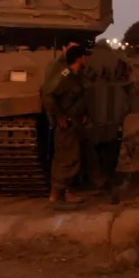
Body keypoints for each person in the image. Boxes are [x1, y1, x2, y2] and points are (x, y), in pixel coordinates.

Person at [46, 45, 90, 204]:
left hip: (75, 121)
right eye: (84, 55)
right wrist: (59, 117)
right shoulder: (65, 76)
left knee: (71, 157)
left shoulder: (76, 75)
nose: (86, 58)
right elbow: (49, 95)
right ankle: (57, 194)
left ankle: (62, 192)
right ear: (78, 58)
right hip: (67, 123)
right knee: (66, 158)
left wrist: (83, 114)